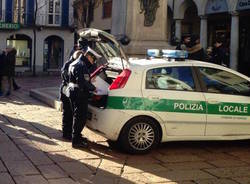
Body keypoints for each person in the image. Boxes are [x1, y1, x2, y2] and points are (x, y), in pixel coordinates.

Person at [68, 46, 101, 148]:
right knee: (80, 118)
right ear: (88, 56)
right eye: (93, 59)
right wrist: (93, 88)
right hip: (80, 94)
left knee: (77, 116)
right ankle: (76, 141)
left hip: (74, 92)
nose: (93, 62)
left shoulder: (75, 63)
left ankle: (77, 136)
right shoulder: (82, 65)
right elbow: (83, 82)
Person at [60, 50, 84, 141]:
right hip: (66, 92)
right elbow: (65, 76)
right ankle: (66, 133)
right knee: (67, 113)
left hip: (69, 92)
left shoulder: (74, 63)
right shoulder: (69, 64)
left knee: (70, 113)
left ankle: (69, 132)